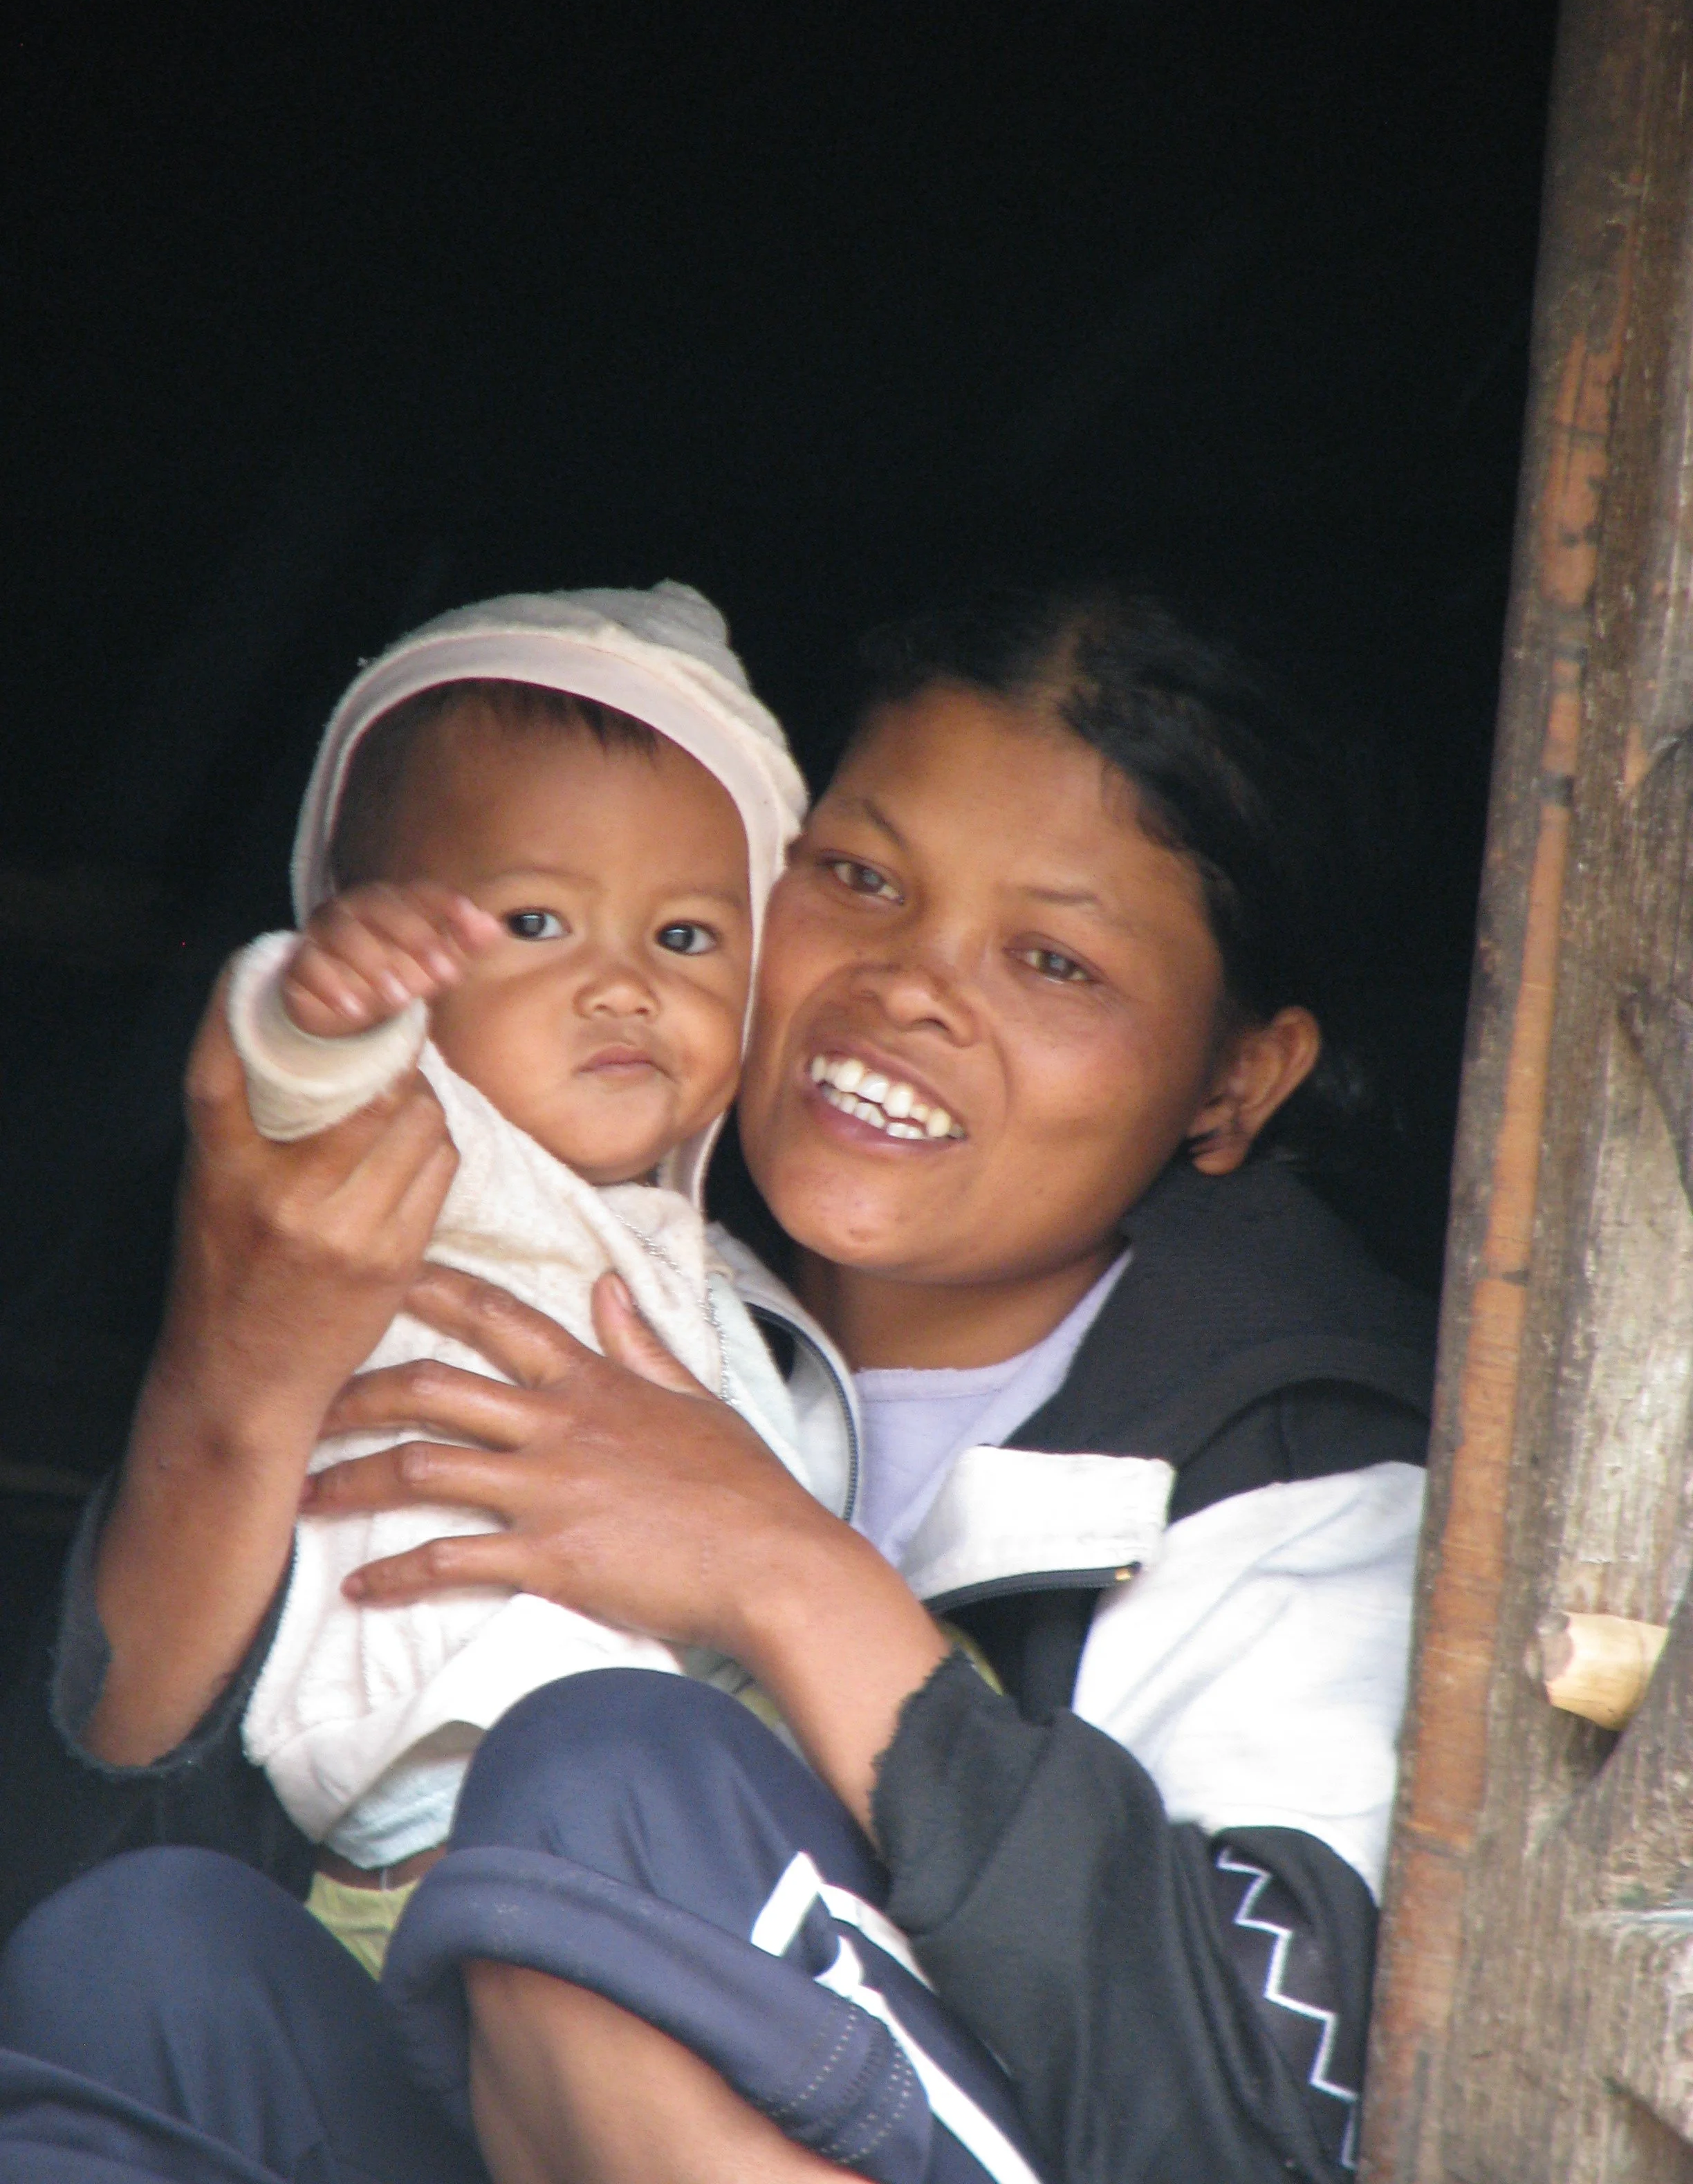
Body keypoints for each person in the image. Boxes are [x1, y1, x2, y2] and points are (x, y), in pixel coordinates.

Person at [0, 588, 1434, 2184]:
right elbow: (97, 1848)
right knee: (142, 1955)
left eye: (1052, 959)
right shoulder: (574, 1272)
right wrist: (238, 1372)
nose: (908, 985)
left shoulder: (1299, 1473)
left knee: (614, 1768)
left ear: (1239, 1079)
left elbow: (1274, 2121)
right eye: (860, 879)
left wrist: (776, 1570)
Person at [218, 582, 844, 1949]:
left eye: (686, 939)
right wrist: (324, 1010)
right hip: (437, 1834)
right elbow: (292, 1092)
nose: (625, 986)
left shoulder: (722, 1282)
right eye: (535, 923)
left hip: (667, 1849)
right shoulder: (418, 1159)